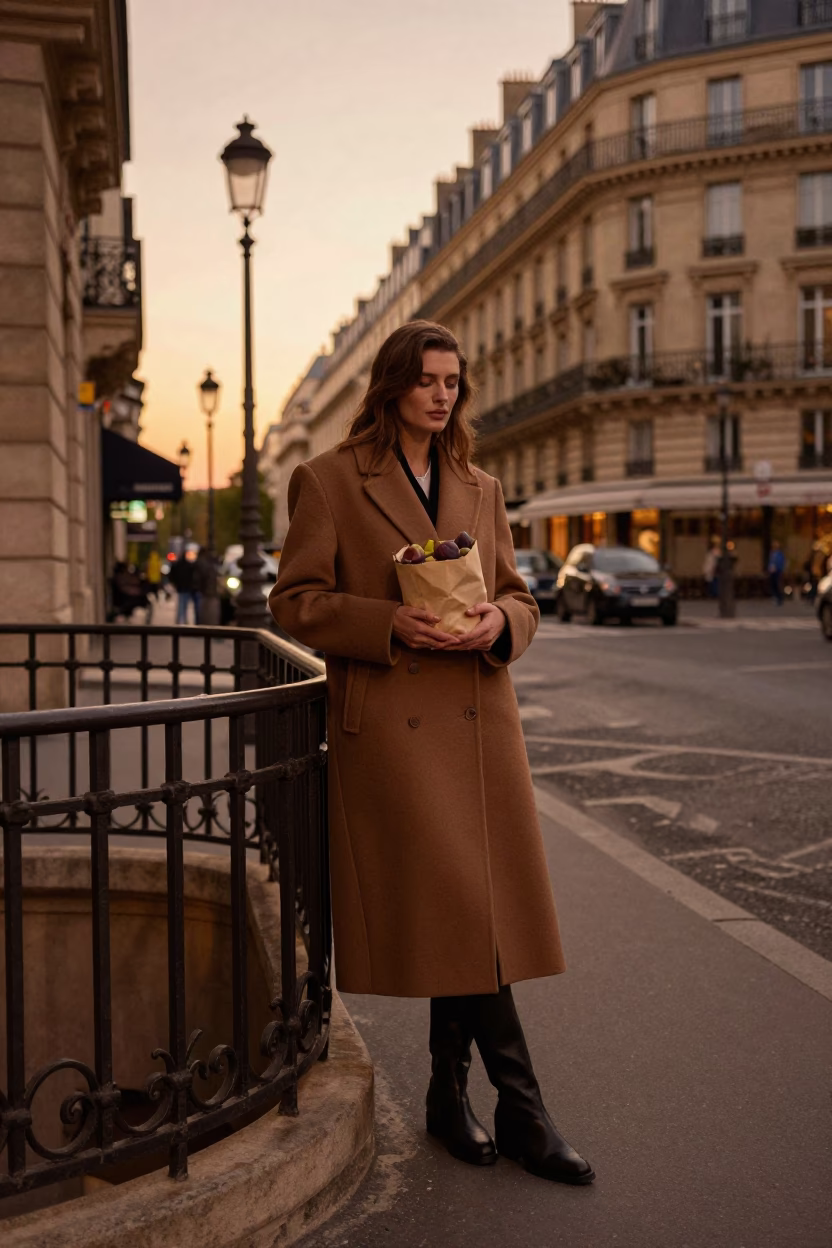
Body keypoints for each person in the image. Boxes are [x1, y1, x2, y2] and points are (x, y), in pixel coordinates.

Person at [270, 321, 594, 1186]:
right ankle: (524, 1109)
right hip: (398, 732)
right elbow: (295, 601)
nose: (443, 393)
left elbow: (522, 599)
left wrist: (501, 624)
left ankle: (454, 1099)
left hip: (480, 721)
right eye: (427, 379)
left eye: (454, 380)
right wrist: (384, 622)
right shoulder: (330, 480)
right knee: (467, 908)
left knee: (470, 914)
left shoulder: (480, 487)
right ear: (392, 386)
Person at [169, 549, 200, 624]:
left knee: (181, 606)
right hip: (186, 587)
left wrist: (175, 584)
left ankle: (180, 621)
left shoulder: (178, 565)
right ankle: (183, 621)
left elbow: (172, 575)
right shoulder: (189, 565)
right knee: (184, 605)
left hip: (182, 588)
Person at [768, 540, 786, 606]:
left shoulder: (779, 554)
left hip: (777, 571)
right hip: (772, 572)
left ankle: (780, 599)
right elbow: (770, 562)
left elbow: (781, 563)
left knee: (778, 585)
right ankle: (776, 597)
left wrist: (778, 569)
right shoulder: (772, 554)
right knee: (773, 585)